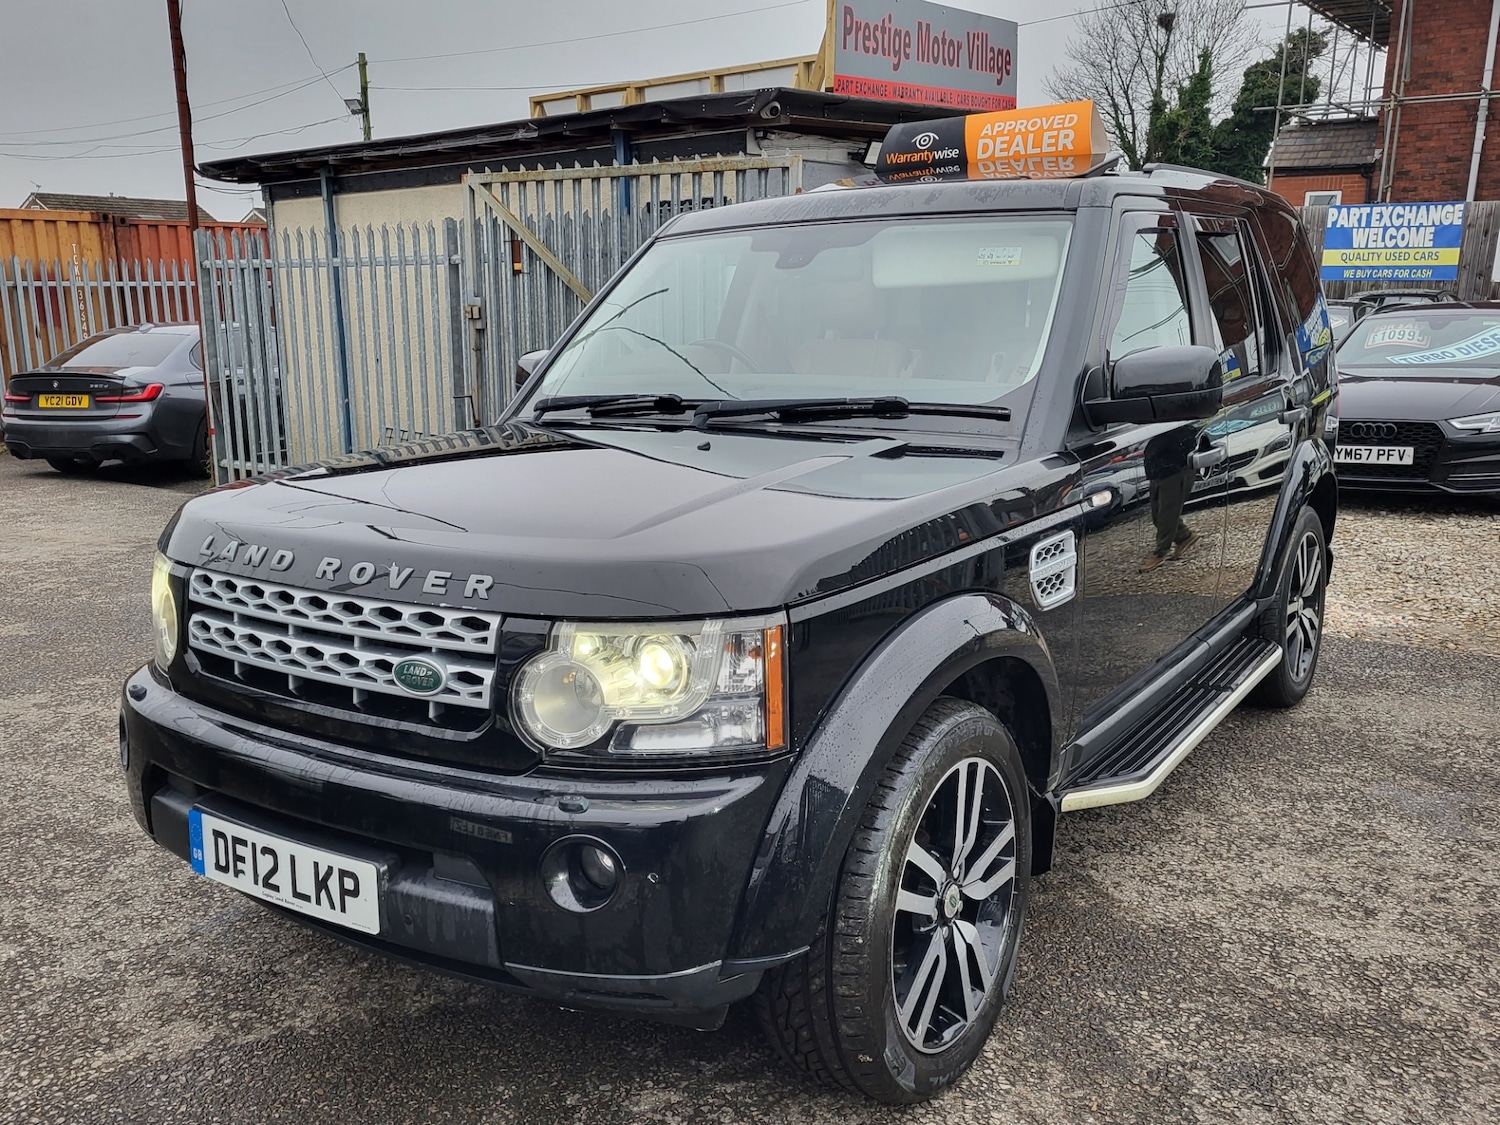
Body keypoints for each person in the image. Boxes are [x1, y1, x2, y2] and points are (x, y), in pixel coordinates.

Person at [1141, 423, 1200, 572]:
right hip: (1157, 473)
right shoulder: (1153, 419)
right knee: (1157, 515)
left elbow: (1186, 442)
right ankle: (1184, 536)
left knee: (1167, 514)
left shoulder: (1180, 422)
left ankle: (1160, 552)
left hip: (1174, 471)